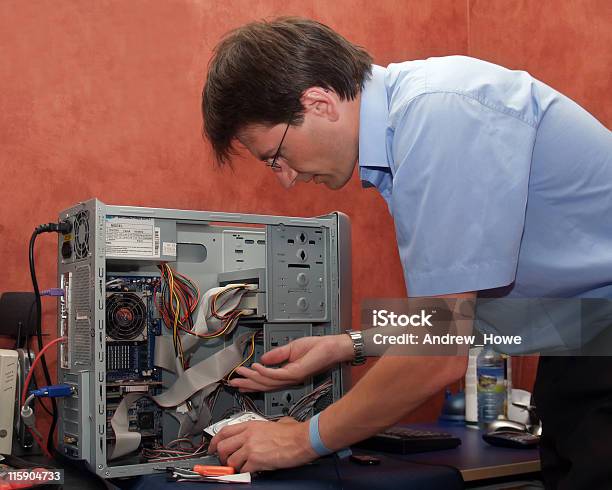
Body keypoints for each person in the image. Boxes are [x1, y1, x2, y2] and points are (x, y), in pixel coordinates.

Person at [201, 17, 612, 488]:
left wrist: (299, 440)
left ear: (318, 102)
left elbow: (437, 358)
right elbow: (462, 320)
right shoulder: (407, 130)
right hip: (583, 338)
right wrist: (349, 345)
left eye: (275, 156)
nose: (286, 177)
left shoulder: (438, 116)